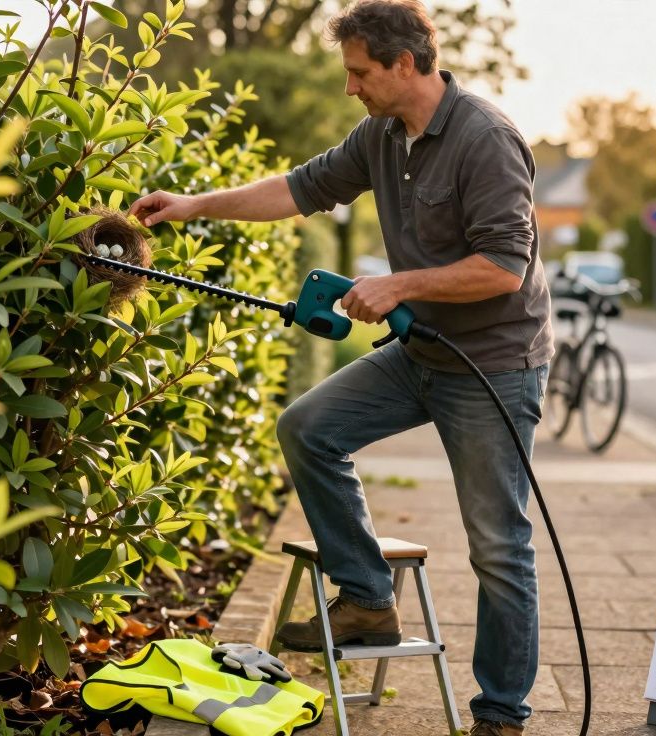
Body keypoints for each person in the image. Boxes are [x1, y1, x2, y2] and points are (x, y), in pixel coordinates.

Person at [126, 1, 551, 733]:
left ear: (405, 64)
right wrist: (193, 205)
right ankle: (367, 597)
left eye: (359, 72)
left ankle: (501, 713)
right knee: (309, 428)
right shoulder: (382, 136)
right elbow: (297, 190)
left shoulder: (486, 139)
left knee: (497, 546)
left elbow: (504, 269)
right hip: (421, 351)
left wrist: (399, 285)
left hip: (492, 365)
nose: (350, 87)